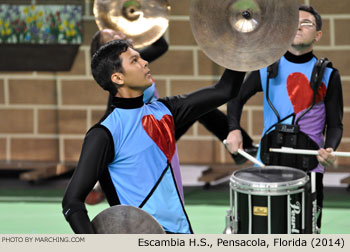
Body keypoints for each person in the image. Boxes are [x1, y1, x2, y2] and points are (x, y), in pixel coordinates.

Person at [62, 39, 246, 233]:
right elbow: (72, 202)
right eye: (134, 60)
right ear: (117, 78)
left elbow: (225, 90)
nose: (144, 62)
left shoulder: (165, 110)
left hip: (182, 233)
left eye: (141, 58)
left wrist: (246, 43)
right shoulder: (104, 133)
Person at [85, 28, 257, 205]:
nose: (144, 64)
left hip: (159, 125)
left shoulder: (133, 63)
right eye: (112, 36)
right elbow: (110, 115)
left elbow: (161, 46)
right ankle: (104, 181)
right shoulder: (121, 81)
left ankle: (244, 147)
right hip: (145, 138)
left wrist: (148, 20)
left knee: (204, 110)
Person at [224, 5, 343, 231]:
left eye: (306, 23)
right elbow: (235, 98)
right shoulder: (266, 68)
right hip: (267, 163)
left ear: (318, 35)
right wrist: (233, 128)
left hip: (309, 168)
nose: (299, 26)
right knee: (263, 229)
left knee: (304, 231)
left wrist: (329, 148)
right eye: (293, 22)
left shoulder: (328, 74)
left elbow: (335, 124)